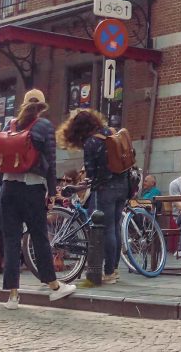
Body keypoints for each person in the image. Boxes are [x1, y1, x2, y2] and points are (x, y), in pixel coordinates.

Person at [0, 89, 76, 308]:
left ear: (23, 104)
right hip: (31, 188)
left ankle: (12, 296)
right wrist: (52, 192)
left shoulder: (9, 125)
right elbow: (50, 162)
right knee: (39, 238)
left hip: (8, 187)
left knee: (11, 240)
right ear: (42, 106)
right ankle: (53, 287)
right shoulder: (43, 126)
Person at [57, 108, 130, 286]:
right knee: (115, 226)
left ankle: (108, 272)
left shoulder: (91, 142)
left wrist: (86, 180)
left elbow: (90, 172)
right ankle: (114, 269)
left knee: (105, 229)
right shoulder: (111, 132)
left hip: (105, 188)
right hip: (123, 185)